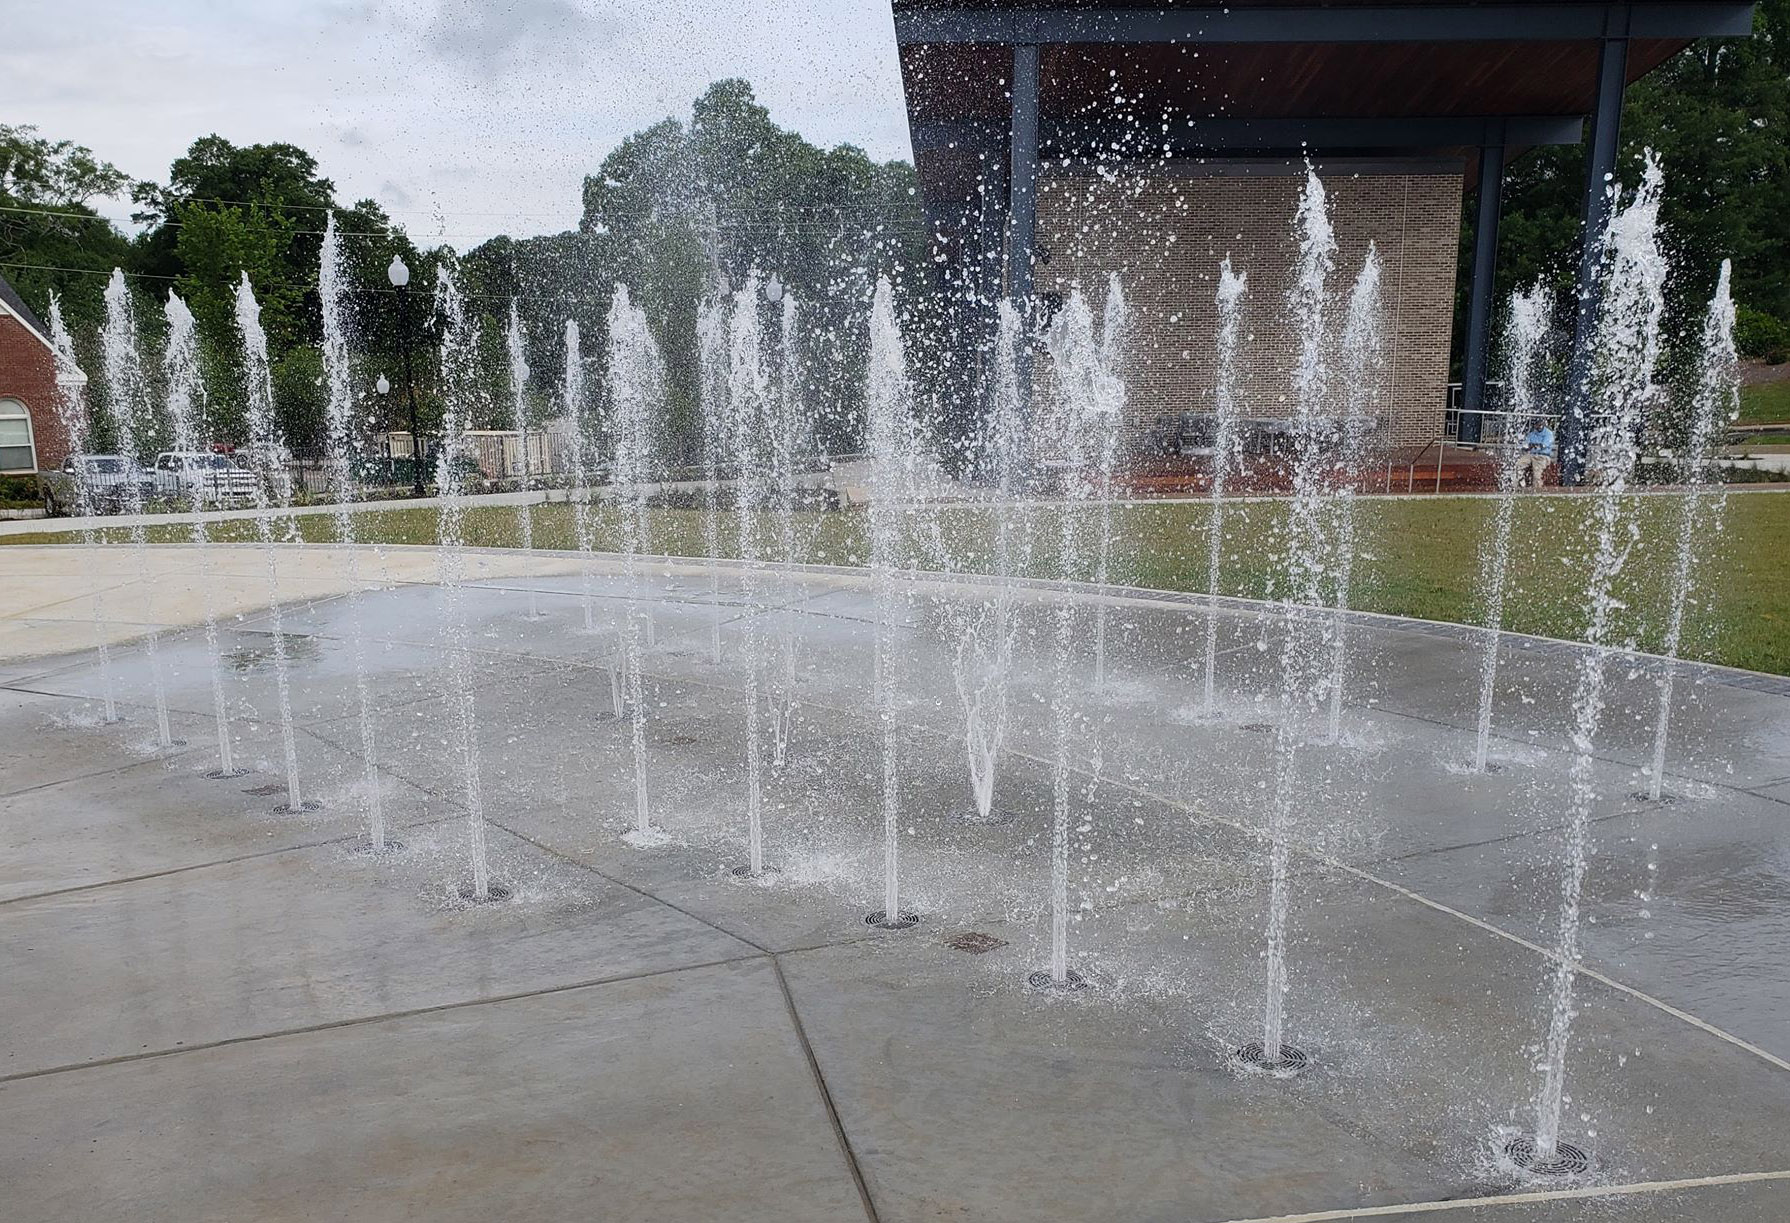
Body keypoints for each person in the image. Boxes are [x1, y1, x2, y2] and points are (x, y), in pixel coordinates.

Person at [1519, 418, 1555, 488]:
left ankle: (1537, 491)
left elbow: (1542, 446)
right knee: (1518, 465)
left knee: (1537, 475)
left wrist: (1532, 446)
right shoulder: (1532, 434)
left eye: (1540, 424)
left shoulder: (1549, 433)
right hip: (1531, 454)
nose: (1538, 426)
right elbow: (1525, 446)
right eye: (1536, 424)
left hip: (1542, 456)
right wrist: (1528, 447)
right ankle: (1518, 485)